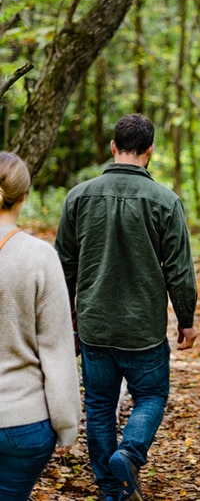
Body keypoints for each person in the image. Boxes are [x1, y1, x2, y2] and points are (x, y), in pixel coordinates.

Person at [55, 113, 198, 501]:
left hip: (95, 326)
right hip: (144, 331)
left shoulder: (78, 197)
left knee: (99, 405)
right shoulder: (166, 201)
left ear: (113, 148)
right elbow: (179, 270)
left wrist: (67, 319)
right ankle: (131, 452)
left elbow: (62, 266)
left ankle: (109, 488)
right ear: (150, 152)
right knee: (151, 397)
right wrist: (186, 320)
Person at [0, 151, 81, 501]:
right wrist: (67, 425)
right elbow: (57, 349)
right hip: (23, 423)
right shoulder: (39, 256)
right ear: (25, 196)